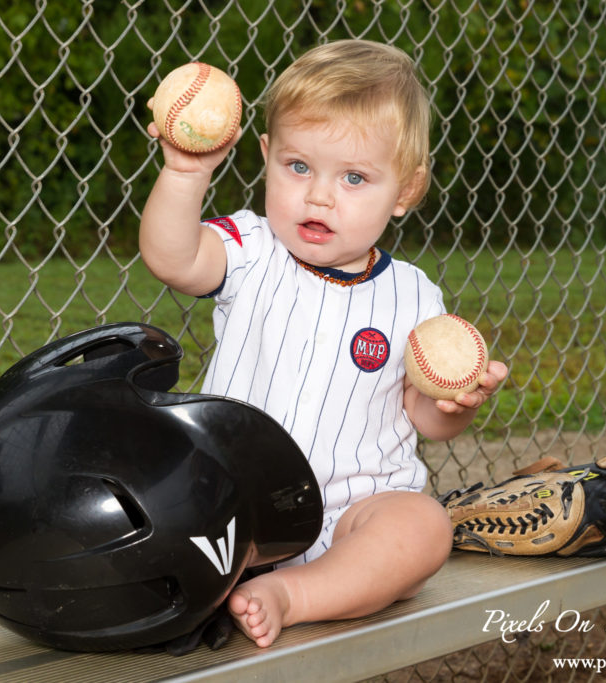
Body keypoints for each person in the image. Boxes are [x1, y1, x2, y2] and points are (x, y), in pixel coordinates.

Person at [140, 39, 509, 648]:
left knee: (422, 525)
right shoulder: (252, 250)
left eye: (355, 177)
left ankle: (294, 594)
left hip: (354, 512)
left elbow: (421, 414)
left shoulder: (414, 296)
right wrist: (186, 172)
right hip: (235, 506)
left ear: (405, 193)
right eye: (298, 166)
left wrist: (454, 405)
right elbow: (172, 258)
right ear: (265, 155)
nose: (318, 195)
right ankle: (235, 576)